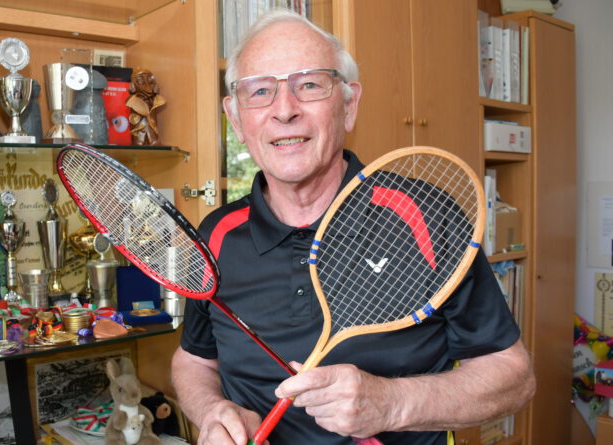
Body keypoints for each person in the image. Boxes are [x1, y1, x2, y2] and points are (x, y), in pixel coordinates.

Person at [171, 10, 535, 445]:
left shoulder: (426, 215)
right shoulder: (215, 234)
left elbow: (514, 377)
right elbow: (194, 361)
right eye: (260, 91)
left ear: (348, 104)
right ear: (235, 118)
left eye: (308, 85)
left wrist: (392, 402)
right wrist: (213, 412)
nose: (284, 110)